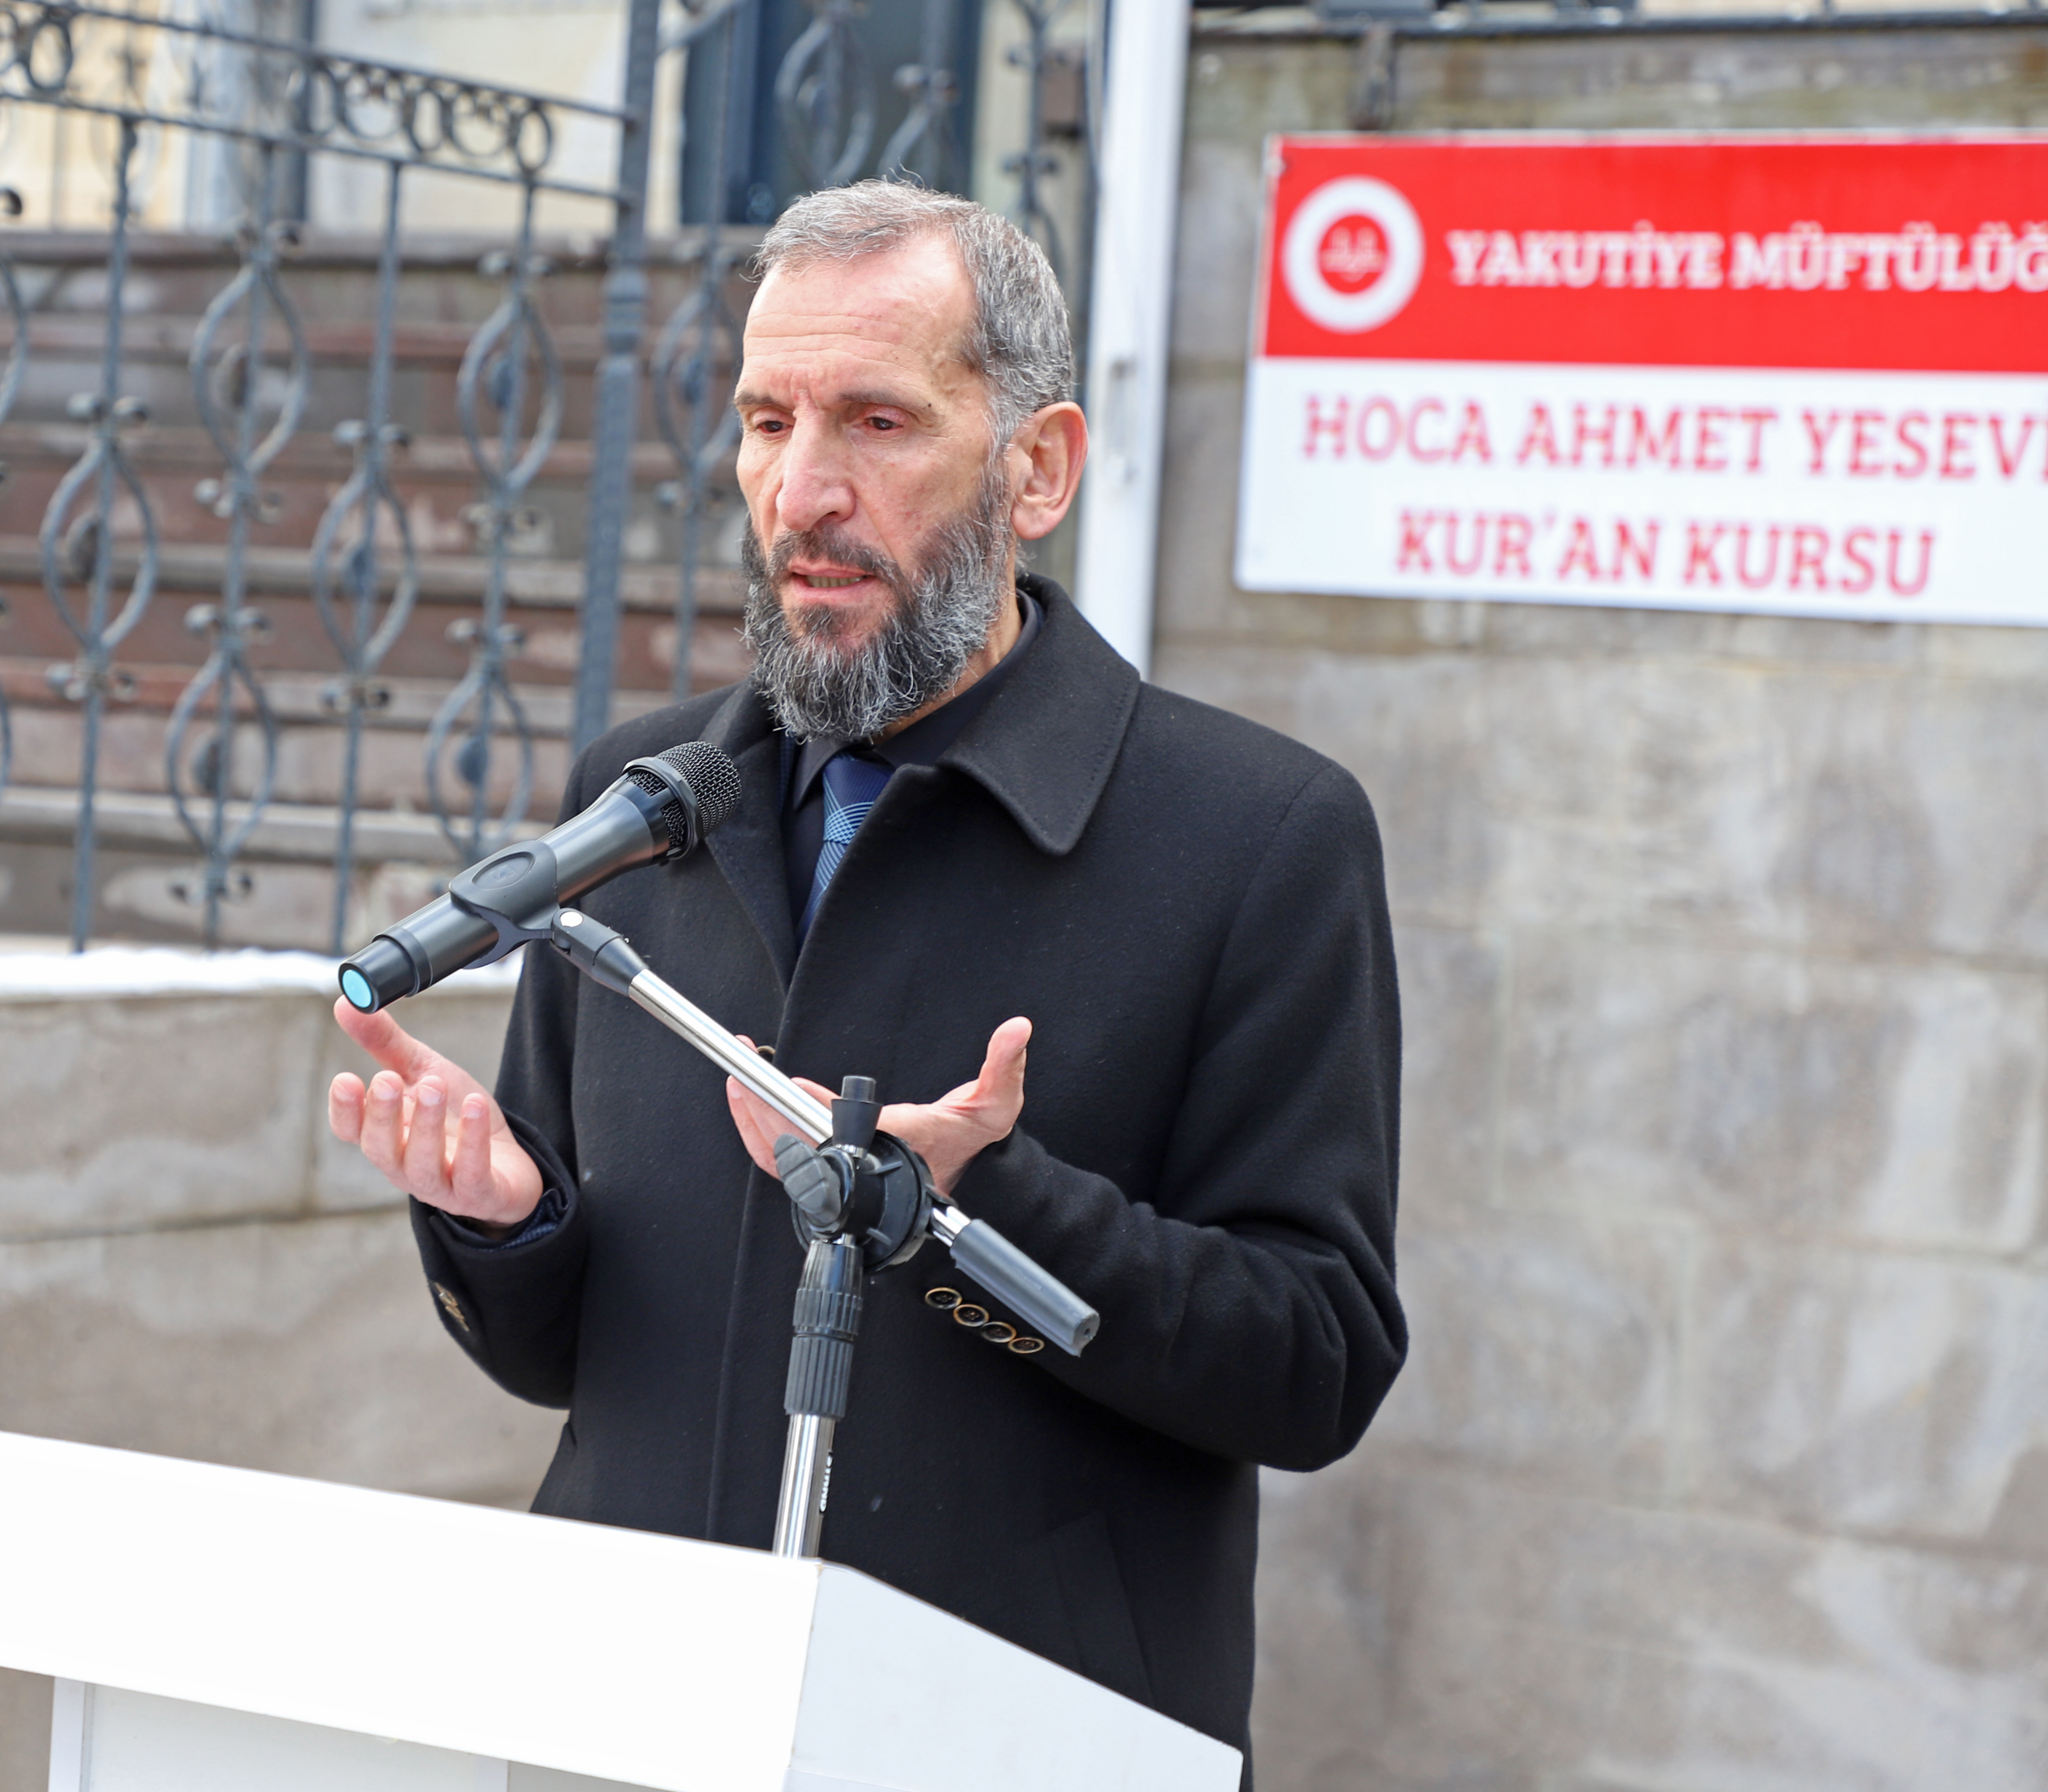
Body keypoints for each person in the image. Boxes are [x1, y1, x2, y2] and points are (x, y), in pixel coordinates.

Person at [326, 180, 1404, 1762]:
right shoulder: (640, 798)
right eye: (768, 422)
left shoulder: (1260, 836)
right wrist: (508, 1221)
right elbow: (568, 1363)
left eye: (877, 422)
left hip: (1018, 1737)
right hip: (623, 1711)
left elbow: (1316, 1363)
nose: (803, 491)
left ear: (1037, 468)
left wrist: (980, 1207)